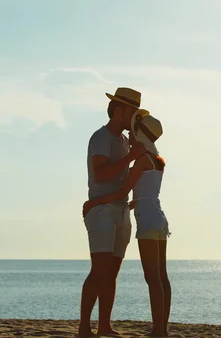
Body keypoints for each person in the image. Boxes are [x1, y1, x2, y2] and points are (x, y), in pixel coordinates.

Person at [83, 114, 171, 337]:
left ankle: (158, 331)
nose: (129, 134)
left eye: (133, 131)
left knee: (152, 277)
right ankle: (162, 329)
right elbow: (145, 195)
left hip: (148, 221)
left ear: (139, 135)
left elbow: (123, 190)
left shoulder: (141, 160)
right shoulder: (157, 159)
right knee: (162, 277)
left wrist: (94, 202)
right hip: (158, 217)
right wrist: (131, 205)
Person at [78, 87, 146, 338]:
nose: (135, 118)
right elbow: (101, 173)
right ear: (119, 111)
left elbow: (122, 175)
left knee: (112, 271)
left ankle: (104, 325)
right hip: (102, 210)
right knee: (99, 269)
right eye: (133, 112)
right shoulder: (101, 137)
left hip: (119, 208)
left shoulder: (125, 141)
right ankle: (84, 327)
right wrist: (130, 157)